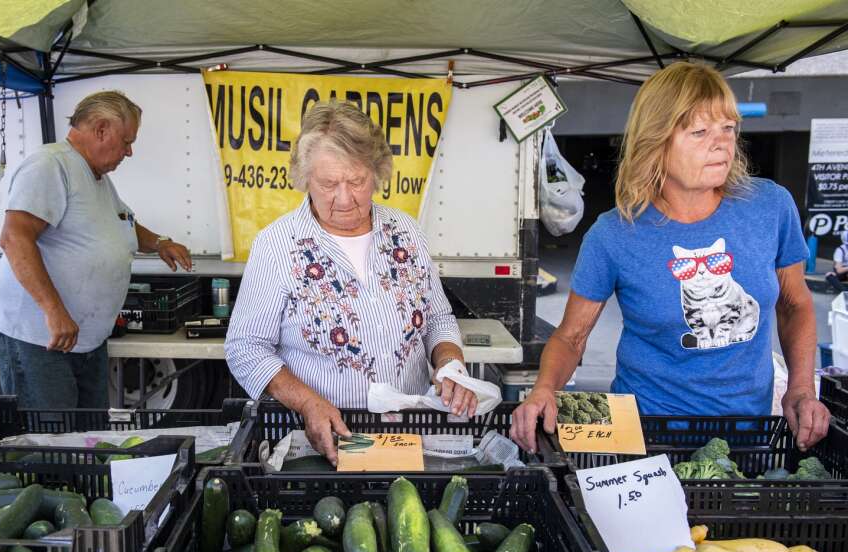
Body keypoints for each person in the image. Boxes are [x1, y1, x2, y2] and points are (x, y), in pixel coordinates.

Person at [511, 62, 830, 453]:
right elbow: (572, 336)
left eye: (728, 128)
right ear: (656, 141)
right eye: (699, 132)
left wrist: (800, 388)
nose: (721, 143)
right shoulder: (614, 234)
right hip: (644, 436)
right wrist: (544, 390)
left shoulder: (770, 207)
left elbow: (795, 304)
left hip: (747, 436)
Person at [226, 100, 477, 464]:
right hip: (321, 439)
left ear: (376, 173)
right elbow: (246, 347)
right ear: (304, 179)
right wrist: (308, 403)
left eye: (357, 181)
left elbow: (437, 319)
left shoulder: (405, 231)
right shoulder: (277, 244)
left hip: (407, 434)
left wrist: (450, 365)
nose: (344, 199)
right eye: (328, 183)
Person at [0, 91, 192, 408]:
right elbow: (15, 238)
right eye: (126, 141)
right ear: (101, 129)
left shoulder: (97, 178)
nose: (129, 151)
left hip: (84, 341)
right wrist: (54, 311)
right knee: (51, 444)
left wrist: (160, 243)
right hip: (42, 339)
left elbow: (123, 224)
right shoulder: (50, 165)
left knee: (87, 440)